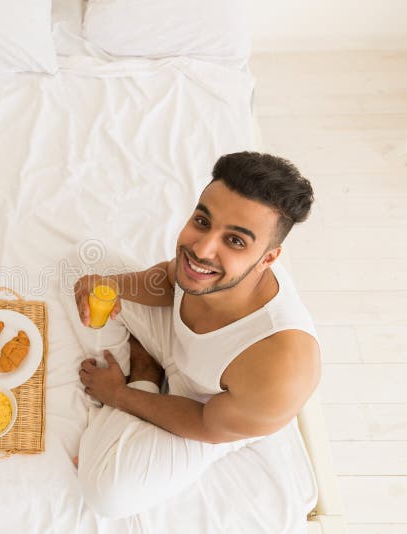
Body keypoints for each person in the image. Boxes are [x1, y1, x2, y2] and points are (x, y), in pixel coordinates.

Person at [65, 151, 320, 519]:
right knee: (81, 264)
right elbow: (167, 281)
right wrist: (109, 287)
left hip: (203, 406)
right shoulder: (201, 265)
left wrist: (118, 394)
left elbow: (204, 424)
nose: (201, 249)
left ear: (267, 258)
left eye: (235, 241)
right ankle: (143, 366)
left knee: (107, 495)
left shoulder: (281, 365)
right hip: (176, 342)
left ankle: (145, 374)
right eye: (202, 220)